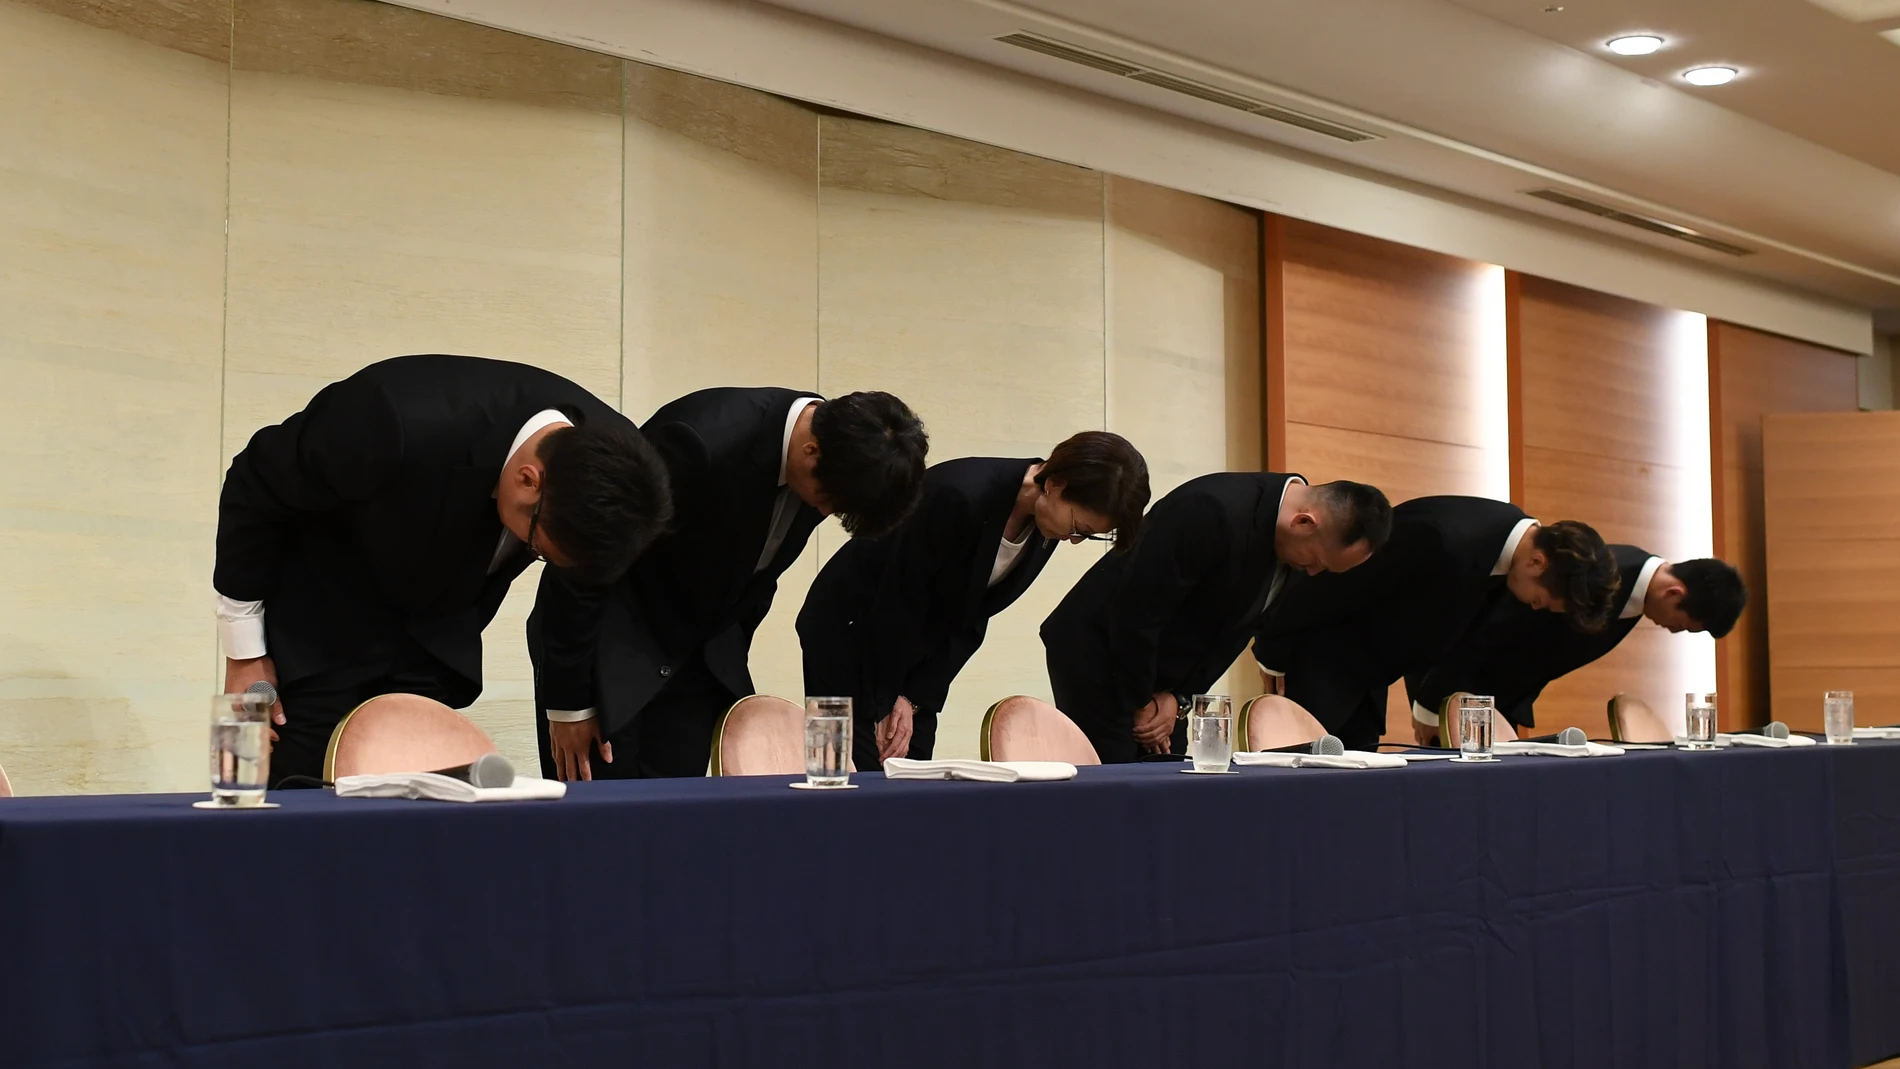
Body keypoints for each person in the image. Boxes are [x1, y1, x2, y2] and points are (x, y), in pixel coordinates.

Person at [213, 354, 672, 787]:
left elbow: (581, 585)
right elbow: (255, 484)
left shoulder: (620, 471)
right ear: (528, 480)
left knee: (418, 806)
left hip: (436, 636)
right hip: (323, 618)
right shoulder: (390, 418)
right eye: (538, 549)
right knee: (295, 795)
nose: (536, 557)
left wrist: (570, 702)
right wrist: (244, 654)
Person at [531, 387, 928, 780]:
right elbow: (586, 554)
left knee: (675, 813)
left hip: (697, 665)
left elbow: (756, 574)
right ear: (811, 451)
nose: (824, 510)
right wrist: (569, 704)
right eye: (827, 499)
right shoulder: (699, 439)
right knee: (602, 811)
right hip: (609, 651)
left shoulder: (841, 454)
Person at [798, 432, 1152, 770]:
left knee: (912, 774)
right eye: (1078, 528)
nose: (1073, 540)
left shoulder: (1045, 526)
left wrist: (914, 697)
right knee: (859, 774)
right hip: (849, 632)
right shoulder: (959, 494)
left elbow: (971, 618)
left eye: (1085, 535)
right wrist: (887, 699)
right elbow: (899, 600)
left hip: (910, 658)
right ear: (1057, 484)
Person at [1041, 474, 1392, 764]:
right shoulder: (1211, 509)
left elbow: (1228, 638)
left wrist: (1177, 700)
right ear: (1304, 522)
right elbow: (1137, 614)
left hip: (1154, 679)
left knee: (1170, 778)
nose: (1314, 573)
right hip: (1099, 653)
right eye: (1317, 561)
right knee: (1120, 787)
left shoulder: (1295, 547)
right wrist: (1142, 702)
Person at [1255, 496, 1618, 751]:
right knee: (1303, 784)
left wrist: (1428, 704)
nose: (1536, 608)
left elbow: (1456, 637)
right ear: (1538, 562)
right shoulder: (1445, 538)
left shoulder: (1503, 549)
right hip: (1323, 662)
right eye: (1543, 600)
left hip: (1368, 676)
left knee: (1355, 789)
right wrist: (1273, 651)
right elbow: (1338, 580)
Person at [1405, 548, 1746, 739]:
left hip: (1491, 706)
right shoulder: (1601, 574)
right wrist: (1430, 706)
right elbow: (1491, 629)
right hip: (1452, 690)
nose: (1673, 631)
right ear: (1675, 593)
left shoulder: (1633, 594)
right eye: (1682, 626)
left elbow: (1539, 655)